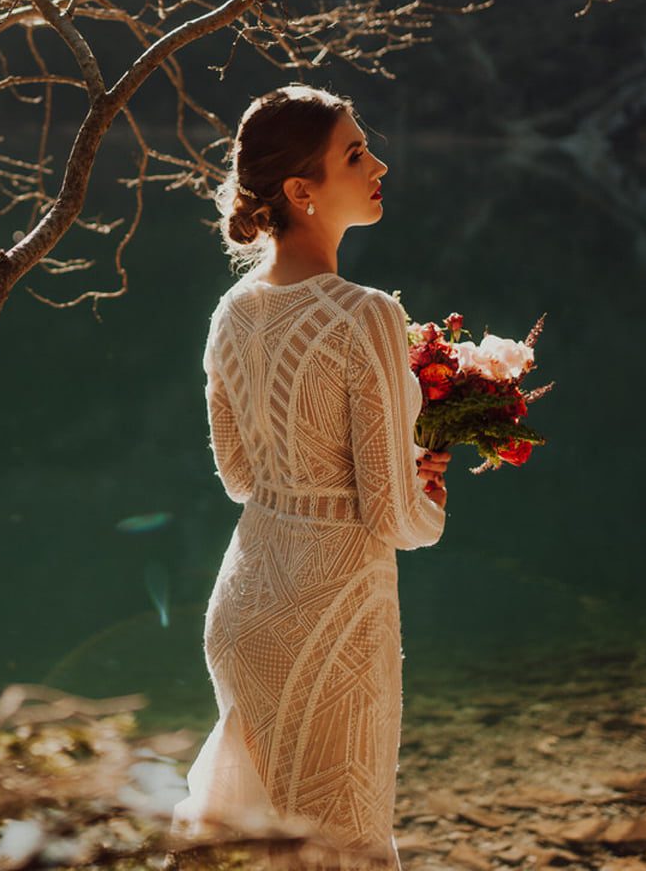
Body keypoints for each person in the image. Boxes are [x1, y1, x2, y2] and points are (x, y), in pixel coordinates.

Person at [170, 85, 453, 871]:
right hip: (334, 614)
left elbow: (238, 476)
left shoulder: (231, 312)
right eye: (356, 154)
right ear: (301, 192)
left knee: (255, 843)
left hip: (245, 607)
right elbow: (395, 520)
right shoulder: (364, 314)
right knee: (342, 847)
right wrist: (426, 489)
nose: (379, 163)